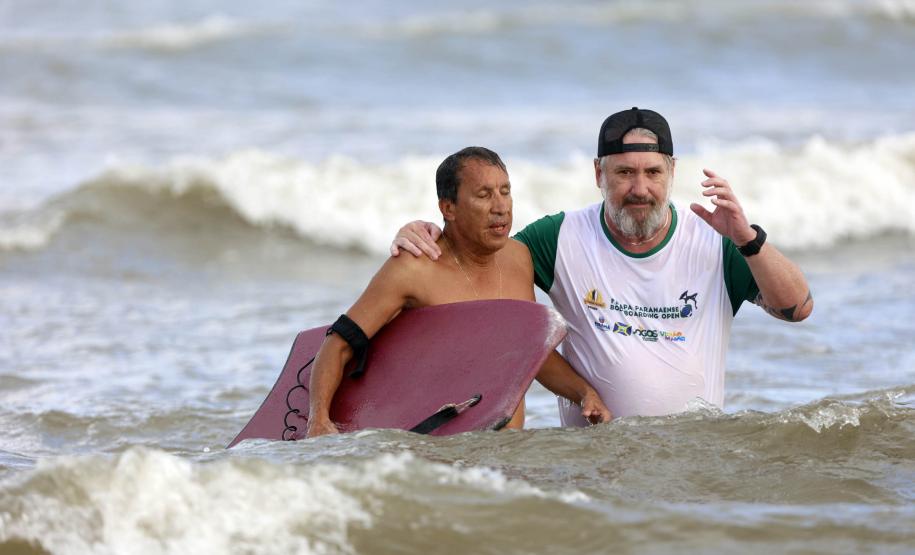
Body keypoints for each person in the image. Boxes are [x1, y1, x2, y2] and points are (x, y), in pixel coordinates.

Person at [391, 108, 813, 426]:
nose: (640, 188)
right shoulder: (559, 237)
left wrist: (747, 239)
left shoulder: (714, 240)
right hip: (595, 461)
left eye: (653, 172)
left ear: (672, 171)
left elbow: (797, 308)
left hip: (691, 456)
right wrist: (431, 234)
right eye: (624, 172)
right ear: (599, 173)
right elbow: (476, 267)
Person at [307, 146, 611, 437]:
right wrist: (318, 420)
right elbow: (338, 344)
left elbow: (530, 351)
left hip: (507, 450)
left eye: (505, 192)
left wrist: (584, 393)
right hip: (436, 448)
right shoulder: (413, 269)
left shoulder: (518, 258)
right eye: (484, 195)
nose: (501, 207)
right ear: (448, 207)